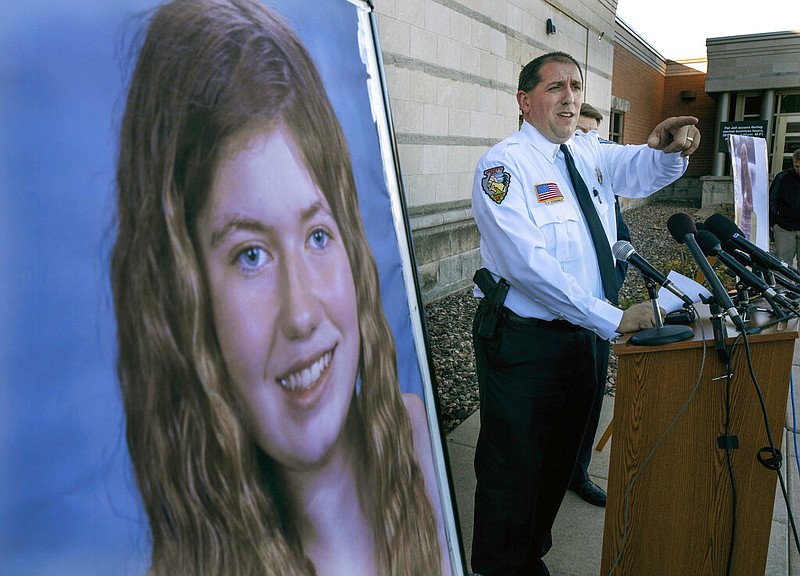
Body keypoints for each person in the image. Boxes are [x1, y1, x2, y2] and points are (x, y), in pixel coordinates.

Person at [110, 1, 450, 574]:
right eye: (250, 255)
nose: (301, 313)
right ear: (183, 300)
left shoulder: (414, 443)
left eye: (318, 235)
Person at [470, 51, 700, 576]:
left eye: (575, 85)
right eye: (555, 87)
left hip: (583, 336)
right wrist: (612, 317)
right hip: (526, 342)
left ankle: (529, 554)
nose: (569, 96)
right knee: (514, 467)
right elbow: (527, 267)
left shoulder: (587, 150)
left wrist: (669, 148)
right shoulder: (504, 167)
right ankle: (501, 565)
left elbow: (641, 171)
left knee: (559, 460)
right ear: (525, 102)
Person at [567, 102, 631, 507]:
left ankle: (578, 471)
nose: (588, 141)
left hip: (599, 314)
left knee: (590, 398)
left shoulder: (602, 182)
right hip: (556, 315)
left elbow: (620, 242)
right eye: (581, 134)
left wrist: (612, 290)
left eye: (595, 135)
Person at [769, 148, 800, 266]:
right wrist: (774, 222)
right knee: (782, 266)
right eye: (797, 166)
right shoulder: (782, 178)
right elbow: (772, 199)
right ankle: (782, 285)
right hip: (784, 228)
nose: (799, 170)